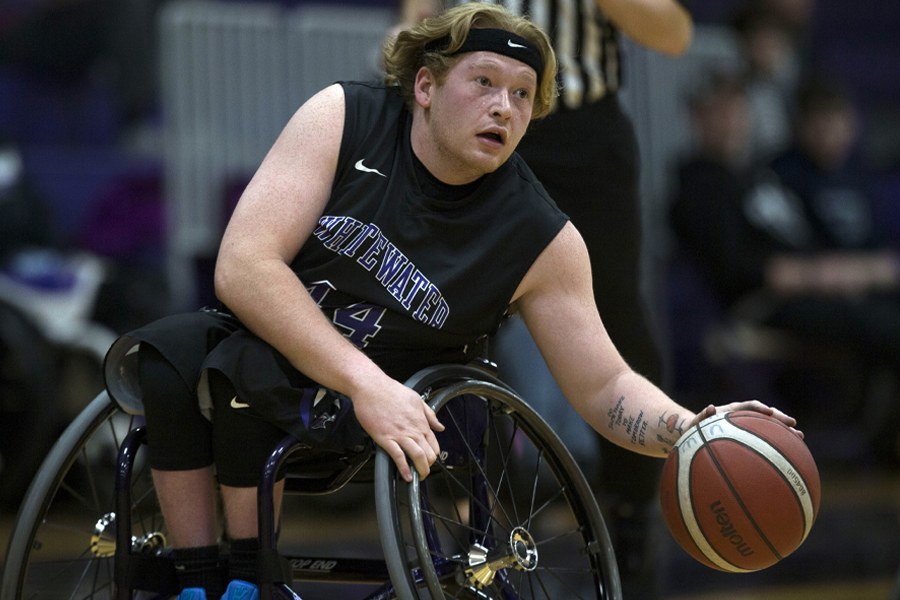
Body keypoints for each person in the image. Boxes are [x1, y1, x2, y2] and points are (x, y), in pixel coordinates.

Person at [104, 5, 799, 599]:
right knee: (171, 356)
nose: (505, 106)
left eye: (524, 95)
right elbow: (245, 264)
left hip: (409, 403)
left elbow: (605, 382)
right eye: (486, 82)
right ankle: (199, 577)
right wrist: (361, 380)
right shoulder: (344, 116)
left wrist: (692, 429)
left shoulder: (542, 234)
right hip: (303, 353)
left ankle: (248, 577)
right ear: (426, 87)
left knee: (245, 372)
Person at [397, 1, 693, 597]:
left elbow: (675, 34)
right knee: (433, 315)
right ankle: (466, 518)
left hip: (582, 135)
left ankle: (631, 522)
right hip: (468, 119)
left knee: (615, 327)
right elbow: (416, 19)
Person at [670, 73, 900, 460]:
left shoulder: (758, 176)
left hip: (810, 293)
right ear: (697, 117)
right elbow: (743, 271)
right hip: (765, 305)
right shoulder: (699, 185)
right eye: (720, 111)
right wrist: (824, 276)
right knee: (890, 327)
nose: (732, 121)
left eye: (738, 109)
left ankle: (883, 432)